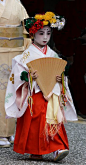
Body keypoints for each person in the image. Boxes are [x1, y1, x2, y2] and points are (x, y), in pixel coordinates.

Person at [5, 12, 77, 162]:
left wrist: (60, 79)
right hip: (34, 93)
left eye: (48, 33)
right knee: (36, 114)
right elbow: (18, 76)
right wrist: (29, 77)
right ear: (33, 35)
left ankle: (58, 148)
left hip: (51, 92)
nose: (45, 37)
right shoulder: (24, 57)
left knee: (53, 116)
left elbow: (60, 74)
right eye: (41, 33)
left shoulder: (53, 55)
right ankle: (34, 150)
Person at [0, 0, 31, 147]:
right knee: (1, 91)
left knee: (13, 91)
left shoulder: (16, 2)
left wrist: (28, 47)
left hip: (15, 51)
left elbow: (27, 26)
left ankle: (10, 131)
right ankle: (1, 132)